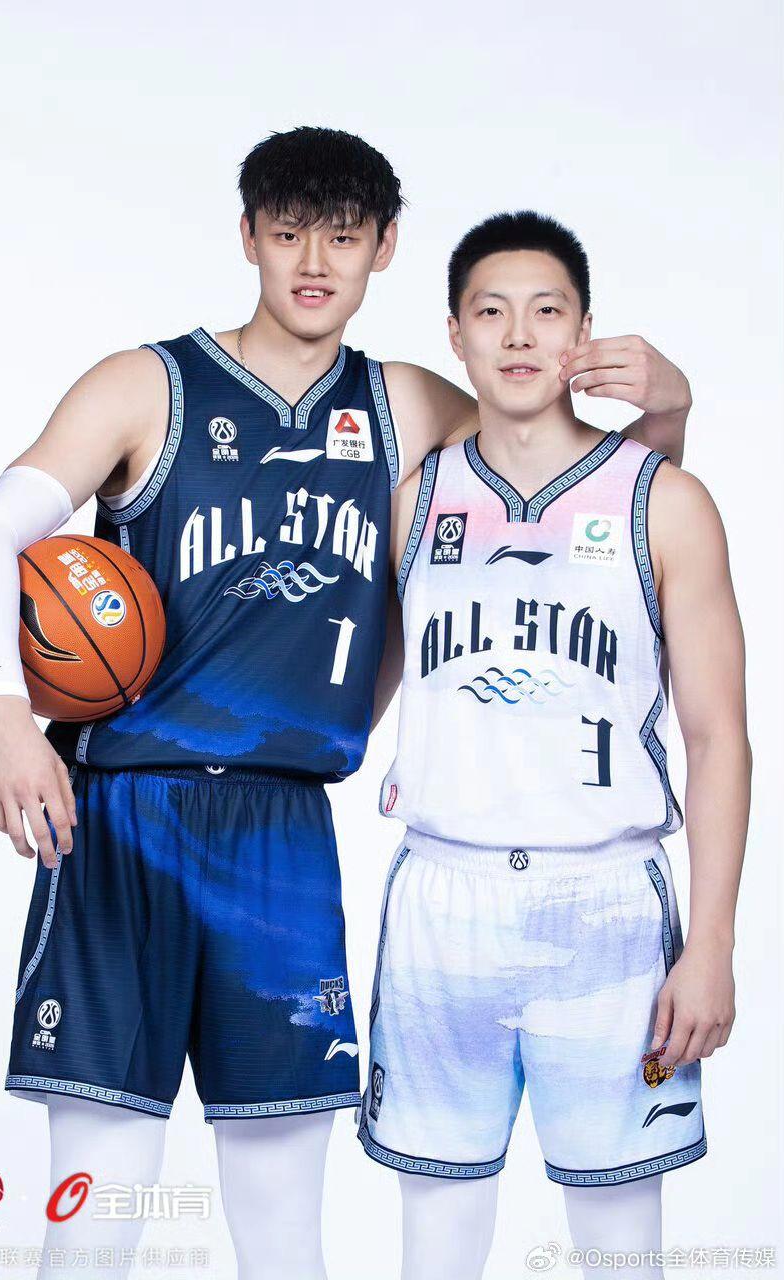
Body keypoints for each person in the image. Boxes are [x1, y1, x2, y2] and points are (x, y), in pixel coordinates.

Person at [0, 130, 692, 1280]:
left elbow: (582, 501)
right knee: (99, 1201)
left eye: (341, 236)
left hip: (282, 828)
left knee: (282, 1215)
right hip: (121, 815)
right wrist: (3, 708)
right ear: (247, 235)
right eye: (287, 232)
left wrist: (669, 409)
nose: (312, 261)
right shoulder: (147, 384)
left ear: (382, 248)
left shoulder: (406, 404)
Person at [359, 211, 750, 1280]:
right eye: (491, 311)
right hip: (442, 900)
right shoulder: (415, 500)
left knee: (620, 1250)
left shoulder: (665, 501)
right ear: (455, 334)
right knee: (435, 1246)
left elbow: (718, 737)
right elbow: (353, 685)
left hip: (608, 909)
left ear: (583, 330)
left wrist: (711, 943)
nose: (519, 334)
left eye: (547, 310)